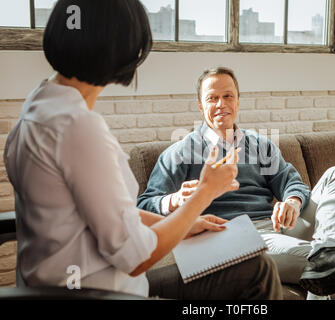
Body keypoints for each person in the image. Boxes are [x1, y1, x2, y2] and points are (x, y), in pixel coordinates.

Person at [3, 0, 282, 300]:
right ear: (118, 50)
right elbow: (135, 257)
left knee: (255, 265)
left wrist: (185, 223)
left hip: (55, 284)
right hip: (104, 291)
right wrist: (204, 193)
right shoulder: (79, 130)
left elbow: (108, 213)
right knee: (256, 269)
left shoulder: (38, 105)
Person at [137, 67, 335, 300]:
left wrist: (292, 202)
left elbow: (292, 183)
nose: (221, 104)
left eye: (227, 96)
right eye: (212, 98)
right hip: (233, 235)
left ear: (238, 101)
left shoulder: (259, 145)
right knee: (332, 269)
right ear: (201, 106)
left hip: (278, 227)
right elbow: (145, 205)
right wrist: (174, 200)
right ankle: (330, 258)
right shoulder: (180, 152)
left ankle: (330, 248)